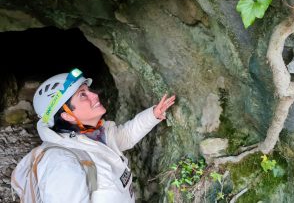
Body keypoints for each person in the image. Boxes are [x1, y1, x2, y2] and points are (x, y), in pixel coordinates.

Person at [13, 68, 175, 202]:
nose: (94, 95)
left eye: (88, 90)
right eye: (82, 95)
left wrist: (153, 115)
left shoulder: (95, 135)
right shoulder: (62, 163)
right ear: (67, 115)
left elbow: (124, 137)